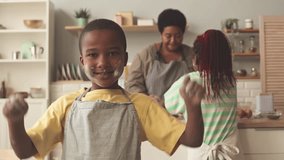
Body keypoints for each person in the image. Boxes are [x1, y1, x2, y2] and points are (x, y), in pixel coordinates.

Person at [2, 19, 205, 160]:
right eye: (92, 54)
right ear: (82, 61)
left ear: (125, 59)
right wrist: (15, 121)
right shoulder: (65, 105)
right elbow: (25, 150)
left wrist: (193, 107)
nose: (102, 62)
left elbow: (192, 140)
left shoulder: (141, 105)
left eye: (112, 53)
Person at [164, 29, 245, 160]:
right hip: (230, 154)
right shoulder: (231, 83)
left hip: (201, 154)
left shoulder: (190, 81)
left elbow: (167, 106)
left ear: (196, 59)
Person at [125, 8, 194, 100]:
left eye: (178, 36)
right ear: (161, 34)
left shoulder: (192, 55)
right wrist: (147, 100)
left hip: (184, 111)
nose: (173, 41)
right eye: (168, 36)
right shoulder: (145, 55)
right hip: (152, 110)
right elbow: (132, 85)